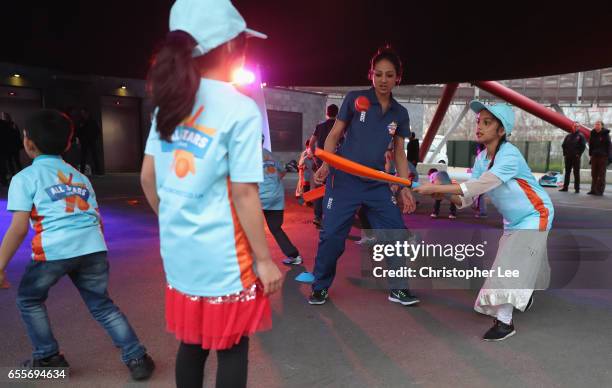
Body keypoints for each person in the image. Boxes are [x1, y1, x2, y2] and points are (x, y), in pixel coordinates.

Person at [140, 1, 283, 386]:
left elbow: (148, 180)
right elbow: (244, 194)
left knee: (192, 345)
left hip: (179, 253)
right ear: (235, 47)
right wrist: (265, 260)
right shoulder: (239, 108)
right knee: (233, 347)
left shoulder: (168, 104)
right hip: (225, 258)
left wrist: (178, 221)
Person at [0, 110, 154, 379]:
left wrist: (0, 265)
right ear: (69, 144)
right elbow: (96, 218)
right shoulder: (81, 178)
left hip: (54, 250)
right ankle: (137, 357)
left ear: (27, 143)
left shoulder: (24, 179)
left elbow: (18, 228)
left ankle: (48, 358)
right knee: (102, 305)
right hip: (92, 247)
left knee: (29, 299)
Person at [414, 101, 554, 341]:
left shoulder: (509, 155)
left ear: (501, 131)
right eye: (479, 121)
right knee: (519, 261)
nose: (479, 126)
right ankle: (524, 294)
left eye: (487, 123)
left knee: (507, 266)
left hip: (536, 215)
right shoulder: (481, 159)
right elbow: (467, 198)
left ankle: (504, 322)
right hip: (513, 221)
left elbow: (480, 185)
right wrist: (444, 193)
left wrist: (439, 187)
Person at [309, 46, 418, 306]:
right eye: (378, 74)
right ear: (371, 75)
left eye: (389, 75)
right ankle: (320, 285)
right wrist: (326, 162)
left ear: (397, 78)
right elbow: (335, 134)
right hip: (343, 180)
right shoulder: (355, 99)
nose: (383, 80)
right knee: (332, 236)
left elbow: (400, 153)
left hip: (377, 183)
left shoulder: (400, 114)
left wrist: (404, 187)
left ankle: (398, 288)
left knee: (395, 233)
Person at [261, 138, 303, 265]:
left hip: (259, 196)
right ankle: (294, 256)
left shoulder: (246, 155)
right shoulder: (268, 154)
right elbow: (283, 171)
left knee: (246, 228)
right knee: (276, 228)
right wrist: (272, 183)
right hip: (276, 195)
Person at [309, 104, 338, 228]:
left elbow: (311, 144)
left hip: (320, 162)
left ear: (327, 113)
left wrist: (315, 157)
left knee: (318, 189)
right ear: (337, 113)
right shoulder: (340, 126)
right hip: (336, 163)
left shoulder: (319, 127)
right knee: (335, 189)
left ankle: (317, 216)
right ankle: (332, 216)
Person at [560, 121, 586, 193]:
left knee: (576, 172)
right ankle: (565, 187)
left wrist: (578, 154)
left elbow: (583, 146)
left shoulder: (581, 136)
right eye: (574, 126)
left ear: (579, 127)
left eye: (577, 126)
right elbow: (563, 145)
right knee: (567, 172)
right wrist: (565, 154)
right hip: (568, 157)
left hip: (576, 157)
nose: (575, 127)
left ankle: (577, 189)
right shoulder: (568, 136)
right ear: (572, 127)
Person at [77, 108, 103, 176]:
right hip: (84, 141)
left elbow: (98, 131)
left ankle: (98, 171)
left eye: (83, 113)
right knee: (83, 156)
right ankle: (82, 172)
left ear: (87, 113)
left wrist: (94, 138)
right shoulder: (81, 122)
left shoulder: (92, 121)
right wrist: (80, 140)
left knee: (94, 156)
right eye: (82, 113)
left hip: (91, 141)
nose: (82, 115)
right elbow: (79, 132)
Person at [588, 120, 610, 196]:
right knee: (594, 174)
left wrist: (608, 158)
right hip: (594, 156)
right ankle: (593, 190)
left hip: (603, 157)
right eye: (596, 124)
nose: (596, 125)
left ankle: (600, 191)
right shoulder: (593, 133)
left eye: (598, 124)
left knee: (601, 174)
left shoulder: (605, 134)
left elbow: (609, 146)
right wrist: (590, 155)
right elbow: (590, 145)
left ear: (602, 126)